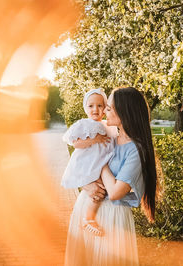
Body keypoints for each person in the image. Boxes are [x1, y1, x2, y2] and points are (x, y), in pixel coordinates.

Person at [64, 87, 157, 266]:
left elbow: (115, 192)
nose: (104, 111)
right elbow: (82, 163)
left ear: (124, 112)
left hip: (111, 216)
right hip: (86, 206)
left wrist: (102, 164)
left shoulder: (136, 150)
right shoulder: (110, 137)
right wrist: (86, 185)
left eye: (109, 107)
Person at [61, 88, 116, 236]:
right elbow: (75, 143)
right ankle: (88, 218)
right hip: (89, 162)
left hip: (101, 162)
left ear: (105, 108)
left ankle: (89, 218)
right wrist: (94, 140)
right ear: (85, 108)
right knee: (98, 189)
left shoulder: (107, 125)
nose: (95, 109)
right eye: (91, 106)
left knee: (102, 186)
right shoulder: (83, 124)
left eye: (99, 105)